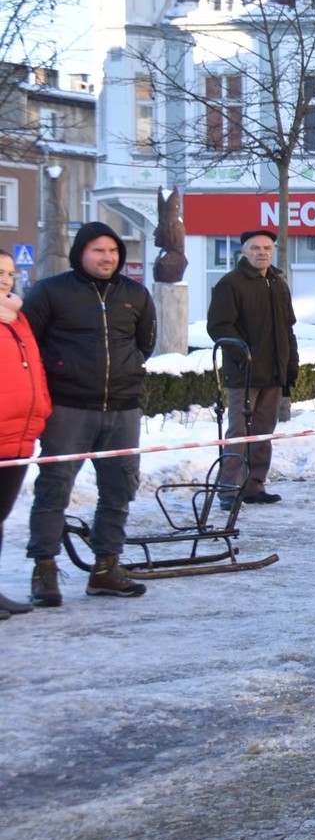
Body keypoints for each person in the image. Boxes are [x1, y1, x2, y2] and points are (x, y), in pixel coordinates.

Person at [23, 222, 155, 604]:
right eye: (98, 250)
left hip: (122, 408)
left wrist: (129, 368)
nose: (107, 257)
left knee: (118, 491)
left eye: (112, 251)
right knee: (54, 489)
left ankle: (106, 568)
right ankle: (44, 570)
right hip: (68, 408)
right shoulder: (51, 292)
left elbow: (145, 343)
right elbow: (29, 344)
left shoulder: (136, 294)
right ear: (80, 252)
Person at [206, 228, 298, 511]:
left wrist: (290, 365)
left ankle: (254, 486)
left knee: (263, 433)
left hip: (273, 373)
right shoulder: (230, 284)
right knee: (239, 434)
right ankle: (229, 490)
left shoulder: (278, 284)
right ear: (244, 251)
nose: (262, 253)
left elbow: (288, 329)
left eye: (267, 248)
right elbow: (219, 326)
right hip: (243, 375)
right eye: (256, 248)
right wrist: (244, 356)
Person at [0, 252, 49, 618]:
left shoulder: (17, 317)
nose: (5, 279)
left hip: (18, 436)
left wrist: (41, 406)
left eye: (9, 273)